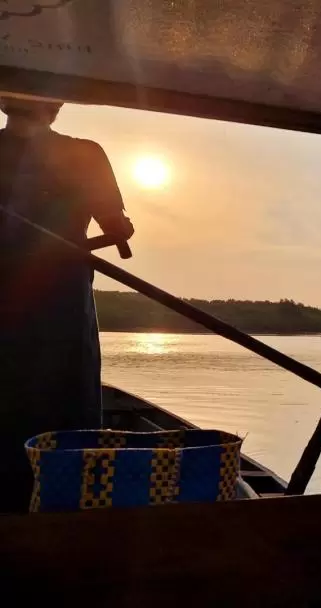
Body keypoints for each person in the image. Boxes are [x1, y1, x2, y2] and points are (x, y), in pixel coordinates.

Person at [0, 96, 134, 513]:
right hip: (61, 300)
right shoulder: (84, 153)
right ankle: (64, 501)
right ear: (55, 106)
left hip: (38, 296)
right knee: (65, 398)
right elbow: (118, 228)